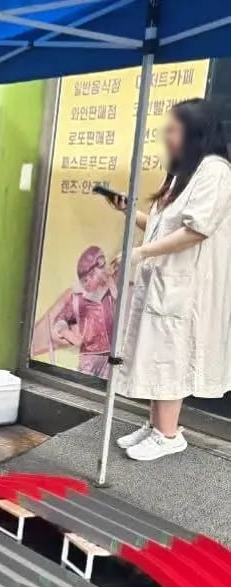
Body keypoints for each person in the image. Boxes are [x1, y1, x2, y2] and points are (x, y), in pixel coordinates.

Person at [104, 99, 231, 462]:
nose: (167, 135)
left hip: (188, 287)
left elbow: (196, 230)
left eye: (174, 129)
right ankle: (156, 425)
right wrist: (130, 211)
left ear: (195, 131)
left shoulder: (215, 171)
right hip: (165, 281)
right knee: (157, 352)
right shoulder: (182, 172)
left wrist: (141, 252)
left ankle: (169, 434)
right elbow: (162, 228)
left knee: (171, 355)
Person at [46, 246, 117, 378]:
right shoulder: (78, 299)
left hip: (110, 357)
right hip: (89, 357)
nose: (86, 283)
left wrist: (113, 288)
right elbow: (60, 320)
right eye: (84, 279)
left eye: (89, 278)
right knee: (85, 383)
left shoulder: (110, 294)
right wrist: (71, 336)